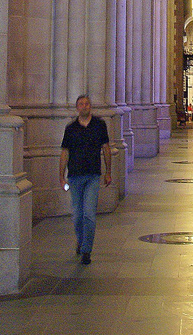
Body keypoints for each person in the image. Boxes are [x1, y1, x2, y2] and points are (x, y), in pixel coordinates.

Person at [59, 95, 112, 265]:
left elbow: (106, 148)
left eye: (87, 104)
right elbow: (64, 152)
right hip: (74, 176)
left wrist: (108, 172)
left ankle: (86, 250)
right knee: (77, 215)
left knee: (89, 214)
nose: (84, 106)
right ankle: (81, 240)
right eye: (81, 104)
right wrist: (61, 177)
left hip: (92, 176)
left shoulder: (99, 125)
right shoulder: (71, 128)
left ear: (90, 106)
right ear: (77, 108)